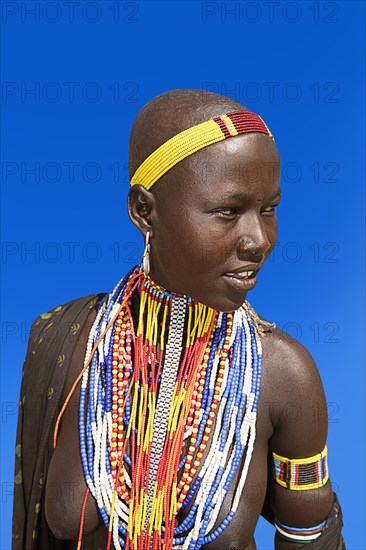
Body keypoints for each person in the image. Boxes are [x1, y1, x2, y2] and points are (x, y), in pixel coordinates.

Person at [12, 89, 345, 550]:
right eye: (228, 211)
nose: (259, 241)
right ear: (143, 211)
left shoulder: (286, 375)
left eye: (268, 210)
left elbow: (311, 536)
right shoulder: (64, 340)